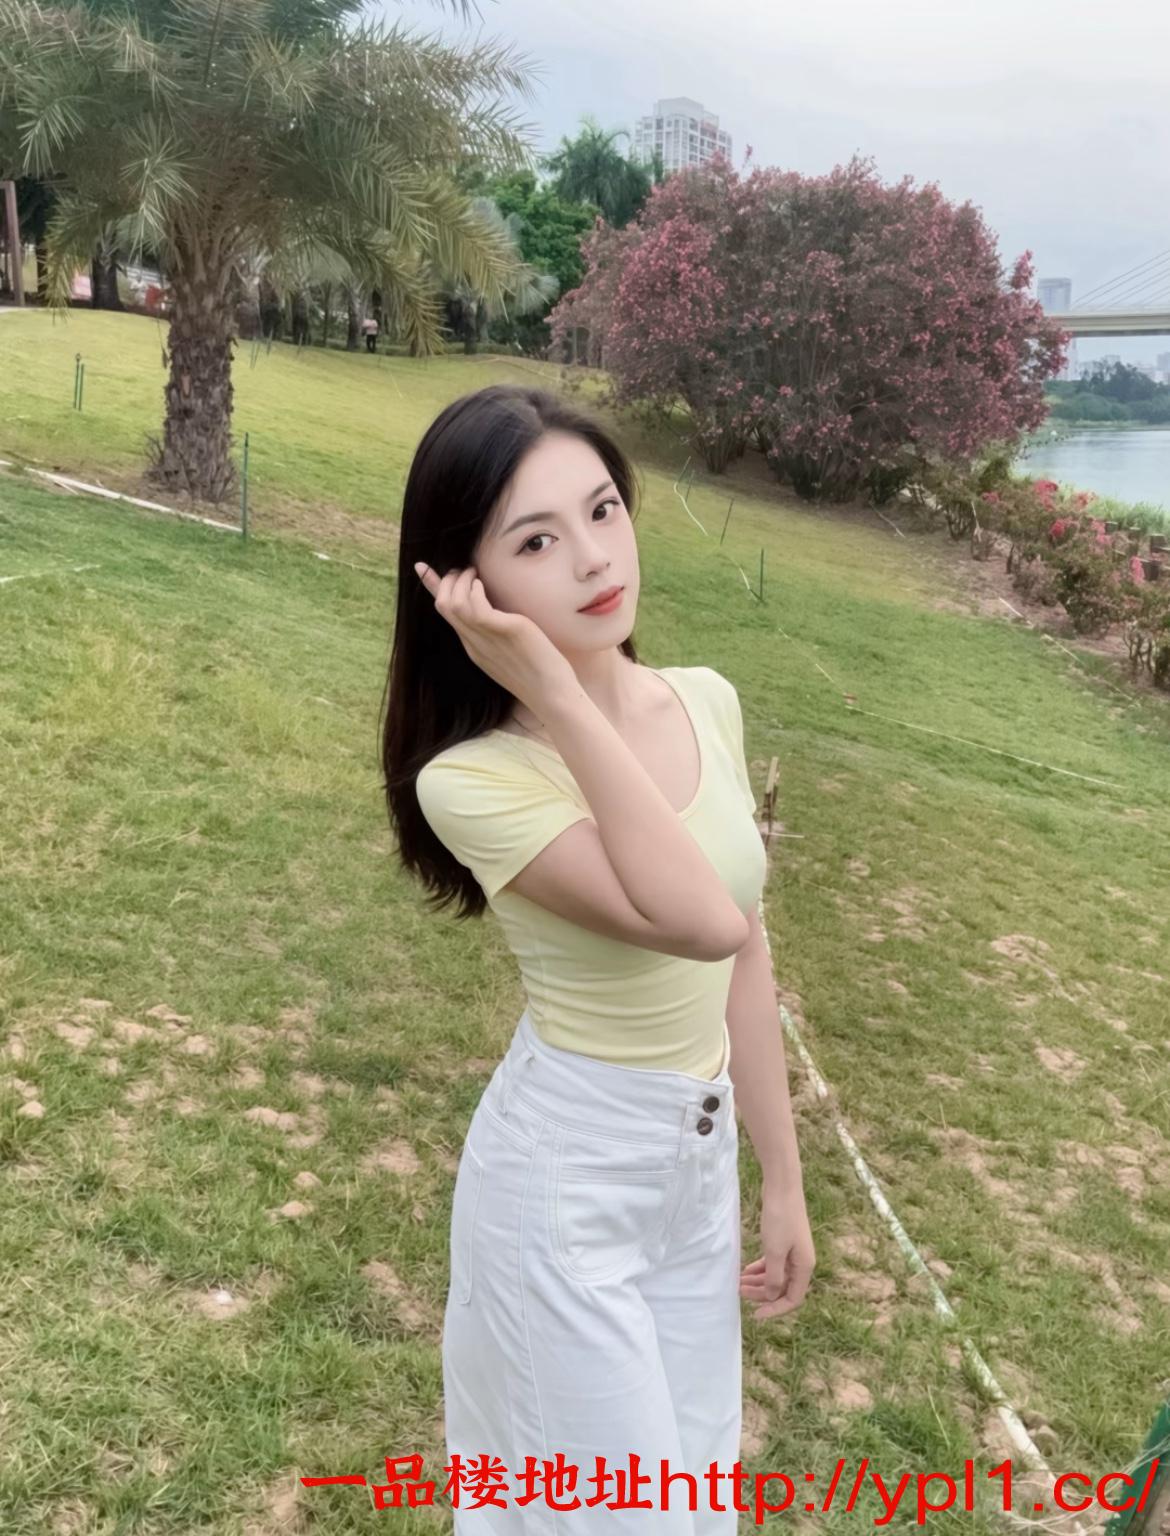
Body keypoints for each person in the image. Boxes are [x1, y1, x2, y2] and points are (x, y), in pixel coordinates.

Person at [381, 385, 814, 1532]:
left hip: (696, 1170)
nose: (592, 559)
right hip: (569, 1185)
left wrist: (781, 1178)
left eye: (604, 509)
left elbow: (746, 953)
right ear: (467, 591)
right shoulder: (474, 781)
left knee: (695, 1494)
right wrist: (560, 695)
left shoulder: (706, 701)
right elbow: (700, 919)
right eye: (535, 541)